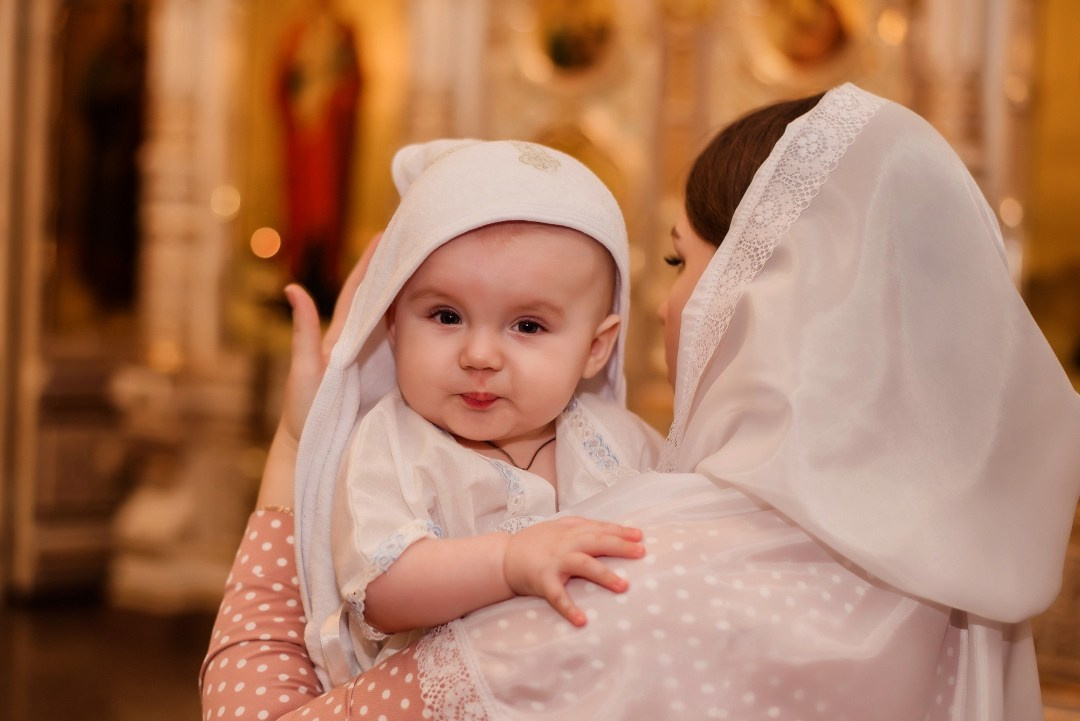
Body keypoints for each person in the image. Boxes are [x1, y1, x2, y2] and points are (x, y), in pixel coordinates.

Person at [201, 83, 1080, 721]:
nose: (670, 304)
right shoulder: (954, 584)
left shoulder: (618, 580)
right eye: (445, 314)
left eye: (679, 261)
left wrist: (290, 453)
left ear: (764, 291)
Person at [296, 138, 661, 686]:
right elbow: (381, 590)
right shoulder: (394, 444)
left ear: (595, 348)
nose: (480, 356)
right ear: (392, 323)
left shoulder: (623, 441)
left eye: (528, 326)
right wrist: (509, 561)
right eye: (446, 316)